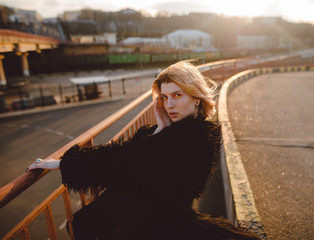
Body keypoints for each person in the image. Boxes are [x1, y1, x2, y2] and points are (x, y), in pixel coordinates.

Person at [27, 60, 260, 240]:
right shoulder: (175, 133)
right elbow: (139, 159)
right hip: (151, 218)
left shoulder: (195, 136)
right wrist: (161, 130)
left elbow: (124, 159)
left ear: (196, 98)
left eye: (177, 95)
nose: (169, 105)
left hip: (160, 224)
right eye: (165, 97)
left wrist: (63, 162)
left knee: (85, 223)